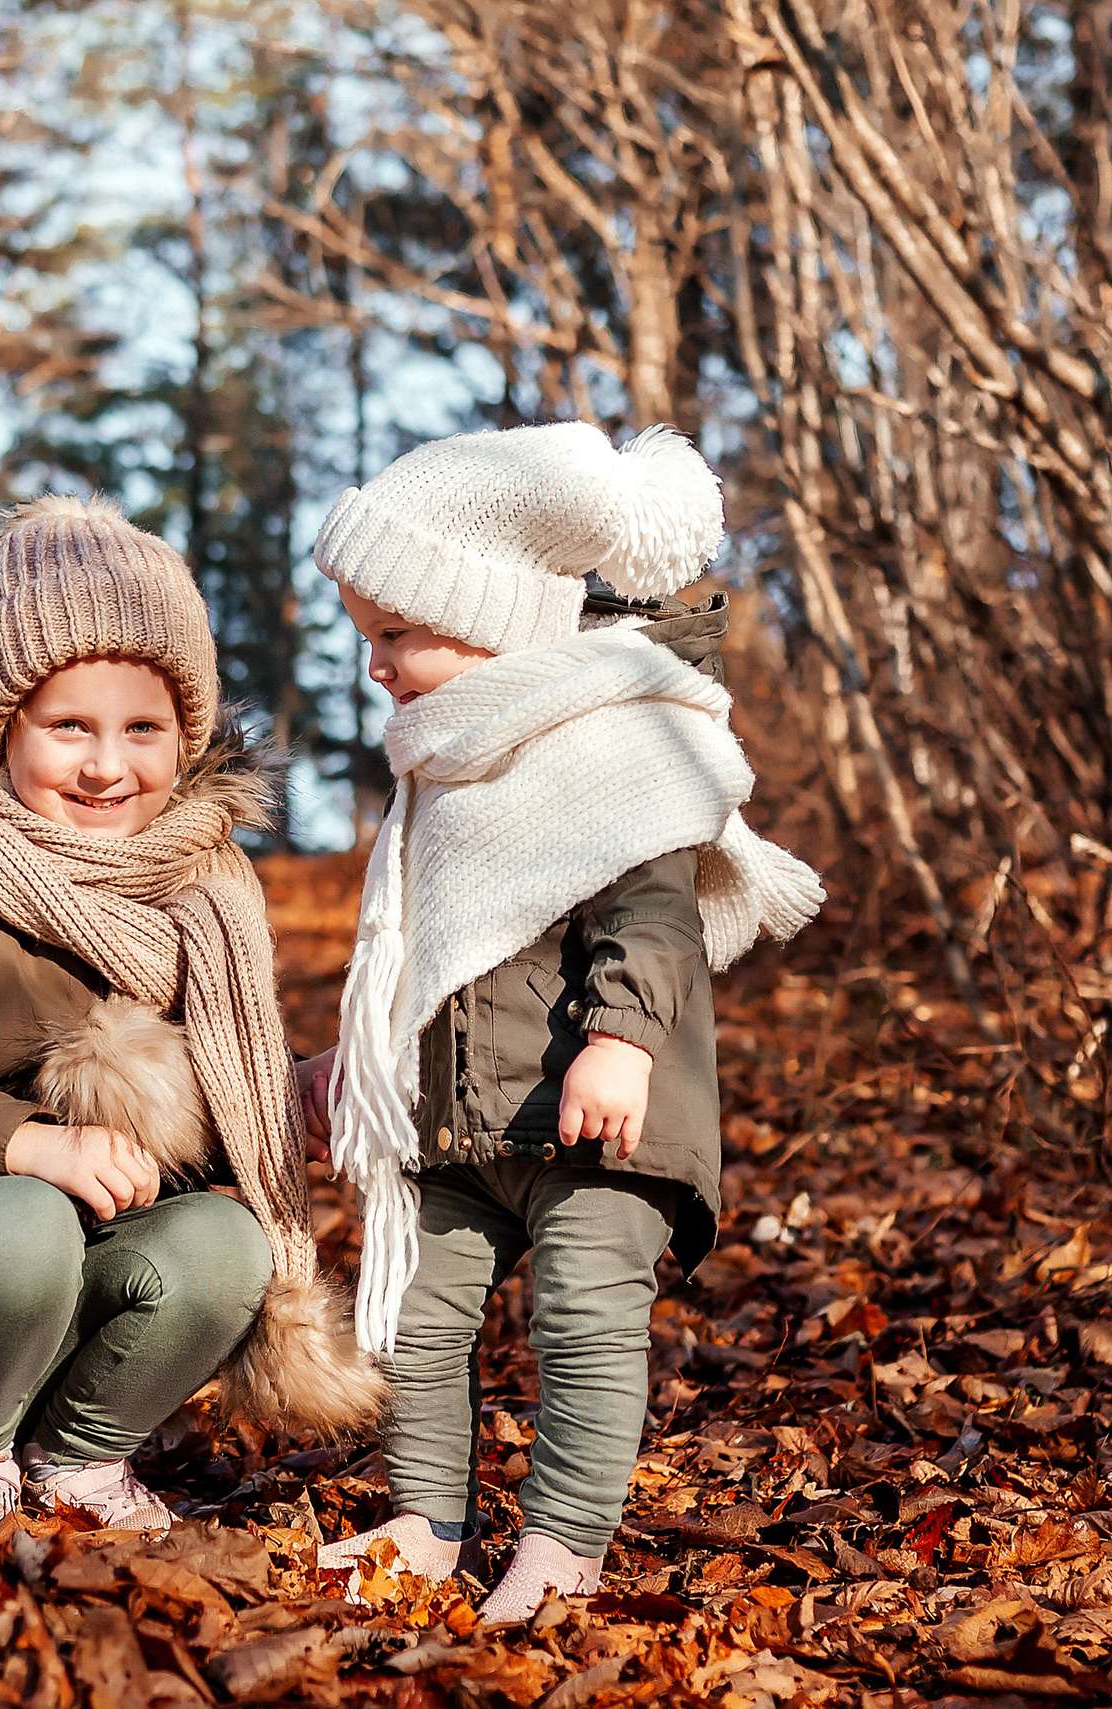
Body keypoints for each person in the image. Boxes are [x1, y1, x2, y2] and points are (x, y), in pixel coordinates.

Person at [297, 422, 823, 1621]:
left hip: (597, 1108)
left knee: (583, 1320)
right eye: (362, 637)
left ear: (482, 613)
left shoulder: (612, 738)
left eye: (395, 634)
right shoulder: (443, 760)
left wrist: (621, 1038)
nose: (374, 665)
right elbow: (426, 945)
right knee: (412, 1318)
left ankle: (564, 1538)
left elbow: (654, 911)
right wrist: (364, 1058)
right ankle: (428, 1519)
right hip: (461, 1116)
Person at [0, 495, 385, 1536]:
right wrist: (24, 1143)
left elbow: (206, 1082)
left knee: (226, 1244)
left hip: (97, 1266)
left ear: (185, 739)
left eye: (141, 729)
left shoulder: (205, 890)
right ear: (1, 729)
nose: (107, 765)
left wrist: (283, 1090)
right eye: (69, 726)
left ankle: (77, 1453)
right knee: (22, 1226)